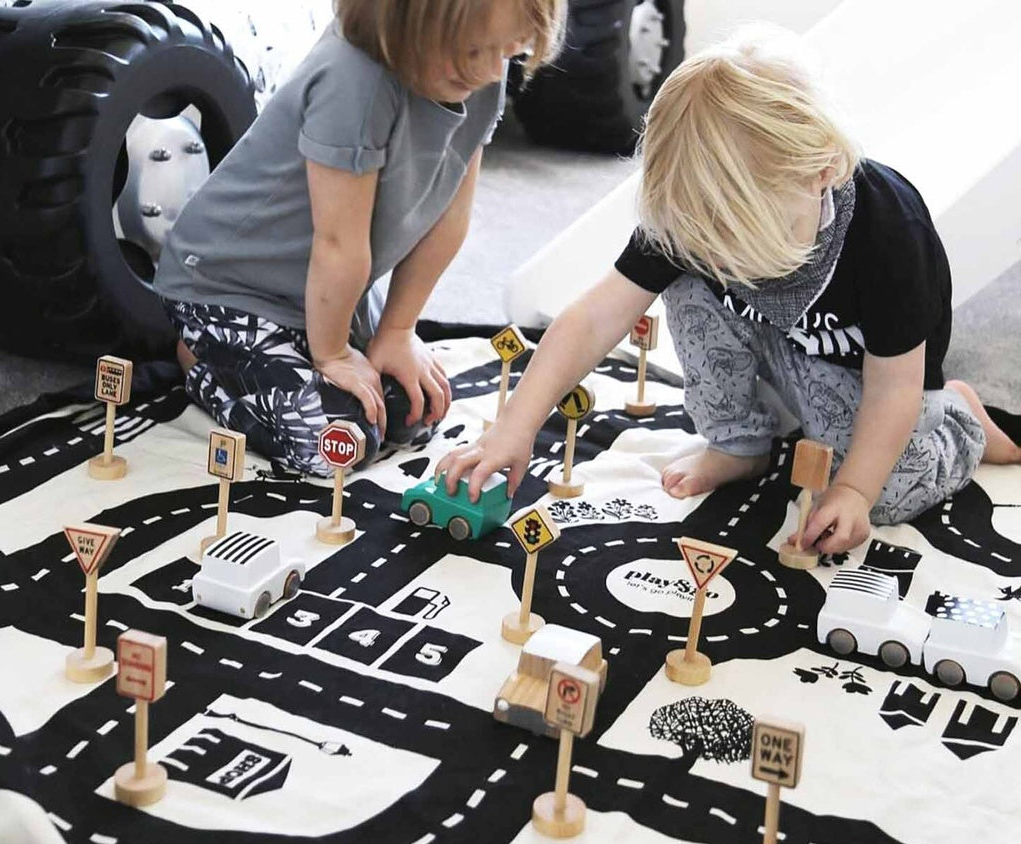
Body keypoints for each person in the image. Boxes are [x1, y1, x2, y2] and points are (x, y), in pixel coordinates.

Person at [436, 24, 1020, 555]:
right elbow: (593, 319)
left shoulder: (889, 231)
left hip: (871, 378)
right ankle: (739, 445)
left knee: (885, 494)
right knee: (689, 286)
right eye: (705, 241)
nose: (717, 259)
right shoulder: (694, 211)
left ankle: (960, 418)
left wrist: (854, 491)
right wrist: (513, 428)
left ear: (822, 171)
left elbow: (894, 387)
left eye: (738, 240)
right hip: (780, 351)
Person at [155, 0, 565, 477]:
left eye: (510, 52)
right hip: (226, 289)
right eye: (475, 51)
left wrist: (398, 330)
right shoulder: (352, 78)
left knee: (412, 412)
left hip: (331, 291)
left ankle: (279, 357)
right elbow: (337, 244)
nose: (493, 71)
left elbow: (450, 218)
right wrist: (331, 354)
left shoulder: (481, 74)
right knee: (339, 444)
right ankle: (202, 360)